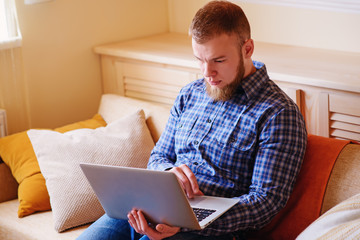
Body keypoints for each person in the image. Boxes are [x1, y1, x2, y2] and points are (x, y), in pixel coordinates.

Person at [77, 1, 307, 239]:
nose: (207, 72)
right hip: (154, 208)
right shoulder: (190, 94)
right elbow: (158, 157)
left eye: (218, 60)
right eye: (199, 59)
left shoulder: (278, 113)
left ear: (247, 49)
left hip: (211, 231)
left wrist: (187, 222)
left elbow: (264, 202)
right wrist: (169, 172)